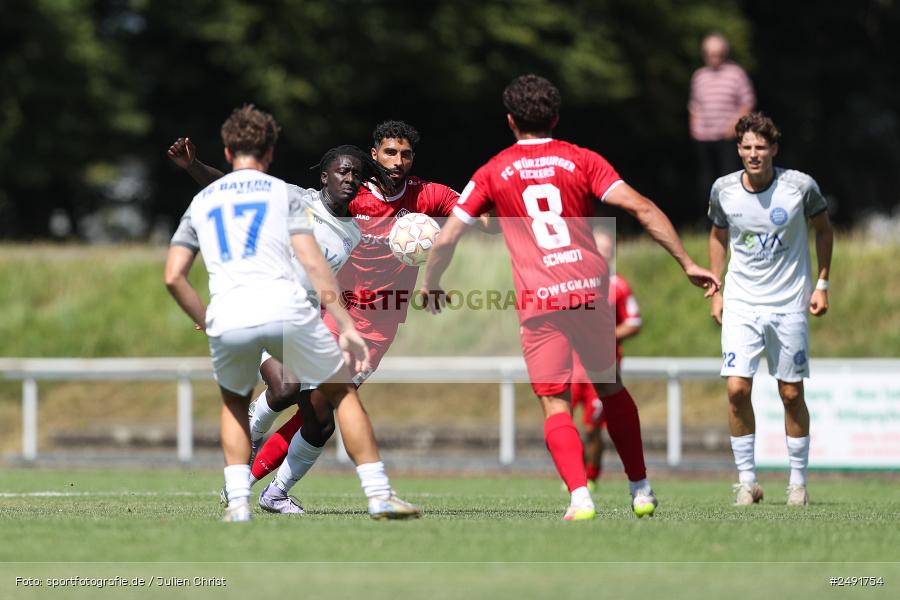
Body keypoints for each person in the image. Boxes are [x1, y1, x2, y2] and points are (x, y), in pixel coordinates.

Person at [422, 74, 720, 521]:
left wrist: (432, 281)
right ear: (555, 117)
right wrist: (686, 262)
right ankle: (641, 489)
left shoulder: (493, 170)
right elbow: (641, 207)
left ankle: (580, 498)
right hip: (587, 292)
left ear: (509, 120)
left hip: (540, 302)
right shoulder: (580, 159)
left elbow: (447, 238)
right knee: (611, 387)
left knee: (554, 401)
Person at [169, 120, 490, 513]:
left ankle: (271, 490)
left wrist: (484, 216)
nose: (398, 161)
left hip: (378, 325)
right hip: (329, 312)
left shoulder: (429, 196)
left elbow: (480, 217)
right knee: (291, 390)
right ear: (374, 155)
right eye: (390, 152)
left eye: (405, 154)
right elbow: (245, 194)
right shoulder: (348, 197)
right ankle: (255, 458)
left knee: (319, 413)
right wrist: (193, 166)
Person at [708, 112, 833, 507]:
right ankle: (747, 481)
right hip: (742, 301)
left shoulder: (800, 187)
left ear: (774, 149)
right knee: (736, 389)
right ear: (739, 150)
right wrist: (716, 288)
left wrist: (822, 284)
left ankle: (797, 483)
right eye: (746, 147)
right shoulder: (723, 190)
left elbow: (824, 229)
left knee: (791, 393)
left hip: (788, 304)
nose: (753, 154)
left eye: (761, 147)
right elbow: (717, 235)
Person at [569, 227, 642, 488]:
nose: (603, 253)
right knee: (560, 422)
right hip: (569, 369)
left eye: (607, 249)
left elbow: (634, 322)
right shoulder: (572, 281)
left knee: (592, 428)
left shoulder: (618, 285)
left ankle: (591, 476)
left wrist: (604, 335)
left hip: (600, 370)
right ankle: (573, 474)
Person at [689, 33, 756, 206]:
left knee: (730, 179)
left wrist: (734, 127)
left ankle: (733, 214)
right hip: (704, 137)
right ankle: (709, 219)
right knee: (706, 181)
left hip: (728, 137)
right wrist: (694, 127)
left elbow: (747, 102)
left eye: (718, 54)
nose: (714, 59)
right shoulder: (699, 76)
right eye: (711, 54)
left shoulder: (736, 74)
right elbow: (694, 105)